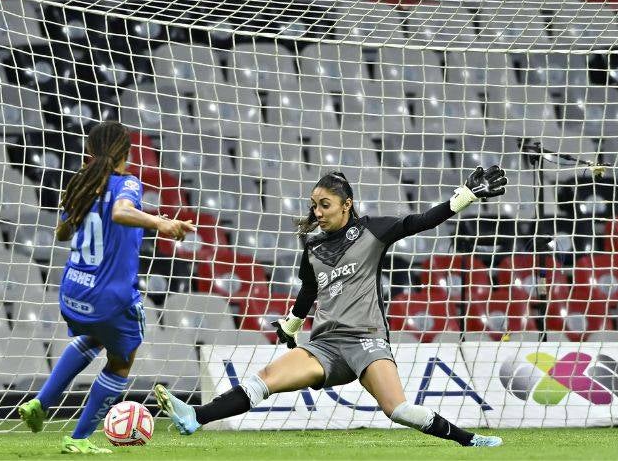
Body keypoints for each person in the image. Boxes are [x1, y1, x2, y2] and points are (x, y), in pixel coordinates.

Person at [155, 167, 507, 448]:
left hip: (366, 342)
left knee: (398, 410)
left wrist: (466, 196)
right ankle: (195, 417)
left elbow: (421, 222)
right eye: (314, 205)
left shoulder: (373, 232)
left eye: (324, 205)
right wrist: (292, 326)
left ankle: (469, 440)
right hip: (324, 345)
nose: (317, 212)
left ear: (346, 204)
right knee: (264, 380)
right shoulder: (313, 247)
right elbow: (309, 291)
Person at [18, 121, 196, 454]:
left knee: (97, 336)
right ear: (126, 153)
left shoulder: (81, 183)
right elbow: (120, 211)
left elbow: (62, 233)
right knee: (121, 360)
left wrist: (79, 212)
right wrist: (162, 223)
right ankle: (78, 439)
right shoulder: (127, 182)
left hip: (73, 291)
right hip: (109, 297)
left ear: (89, 151)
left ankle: (40, 404)